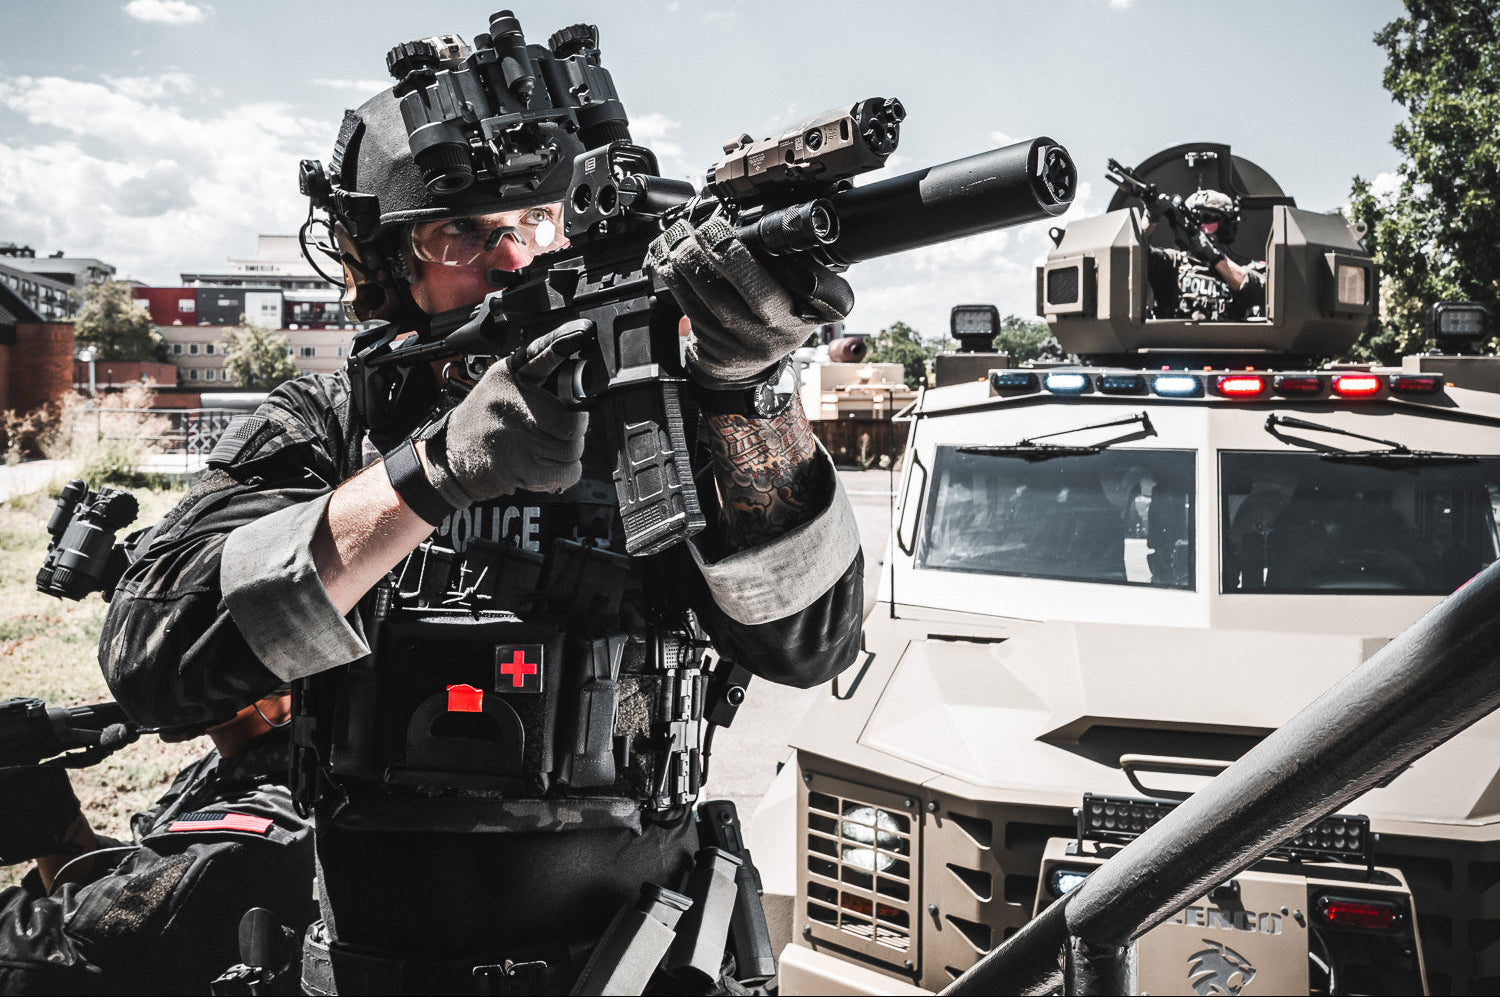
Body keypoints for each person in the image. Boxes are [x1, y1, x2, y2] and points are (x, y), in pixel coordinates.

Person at [98, 15, 862, 995]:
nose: (513, 262)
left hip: (648, 969)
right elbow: (151, 653)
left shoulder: (672, 418)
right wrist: (431, 476)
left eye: (539, 221)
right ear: (391, 264)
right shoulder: (335, 428)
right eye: (463, 231)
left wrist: (747, 392)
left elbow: (815, 644)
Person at [0, 692, 315, 995]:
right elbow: (135, 878)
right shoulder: (252, 755)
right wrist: (52, 817)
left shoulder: (271, 807)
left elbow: (66, 954)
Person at [1145, 188, 1267, 321]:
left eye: (1208, 218)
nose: (1201, 226)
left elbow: (1264, 291)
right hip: (1175, 340)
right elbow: (1134, 257)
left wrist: (1214, 256)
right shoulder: (1172, 262)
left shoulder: (1245, 268)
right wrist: (1150, 218)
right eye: (1196, 219)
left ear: (1226, 227)